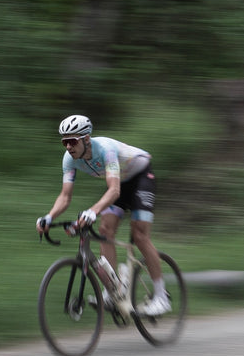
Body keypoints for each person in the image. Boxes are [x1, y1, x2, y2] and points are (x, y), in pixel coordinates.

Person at [36, 113, 171, 316]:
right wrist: (49, 217)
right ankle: (112, 291)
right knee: (105, 230)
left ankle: (161, 297)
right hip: (121, 182)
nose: (68, 147)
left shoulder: (105, 150)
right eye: (65, 142)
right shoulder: (69, 159)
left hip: (141, 178)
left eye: (72, 141)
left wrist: (92, 211)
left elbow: (114, 190)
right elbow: (65, 197)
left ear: (86, 139)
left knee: (140, 235)